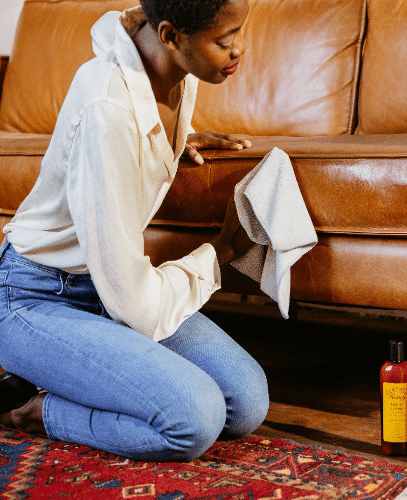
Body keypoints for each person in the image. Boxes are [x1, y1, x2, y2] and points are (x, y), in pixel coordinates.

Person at [0, 0, 269, 462]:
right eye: (224, 40)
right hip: (34, 298)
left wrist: (176, 137)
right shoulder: (110, 110)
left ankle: (62, 371)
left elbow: (129, 30)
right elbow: (136, 307)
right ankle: (30, 406)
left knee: (245, 401)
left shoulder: (164, 64)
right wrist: (219, 252)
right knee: (194, 418)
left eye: (241, 31)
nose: (238, 48)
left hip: (102, 288)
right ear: (170, 36)